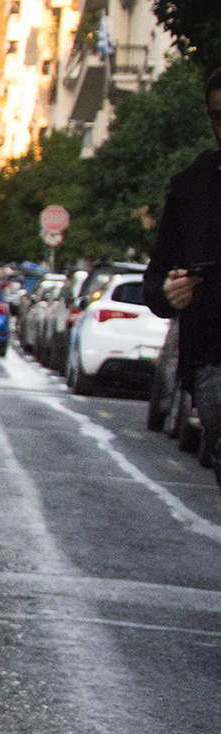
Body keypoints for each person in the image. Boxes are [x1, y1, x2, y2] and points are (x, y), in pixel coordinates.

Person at [145, 65, 221, 486]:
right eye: (218, 116)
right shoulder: (192, 188)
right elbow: (154, 281)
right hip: (213, 360)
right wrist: (167, 291)